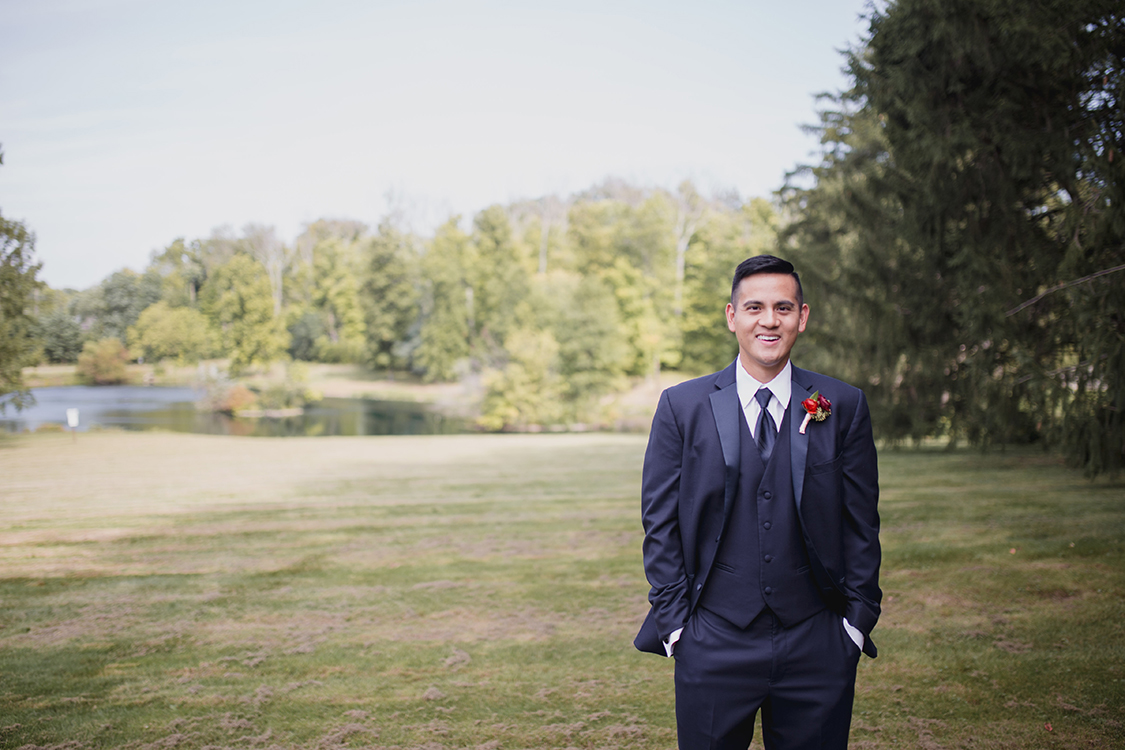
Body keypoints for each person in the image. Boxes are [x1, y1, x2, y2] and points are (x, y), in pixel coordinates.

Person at [635, 254, 881, 750]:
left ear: (802, 317)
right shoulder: (682, 407)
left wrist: (854, 625)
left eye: (783, 308)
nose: (769, 320)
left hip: (817, 641)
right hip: (712, 640)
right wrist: (677, 628)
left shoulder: (842, 405)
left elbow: (861, 524)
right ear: (732, 317)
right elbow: (660, 524)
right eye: (754, 307)